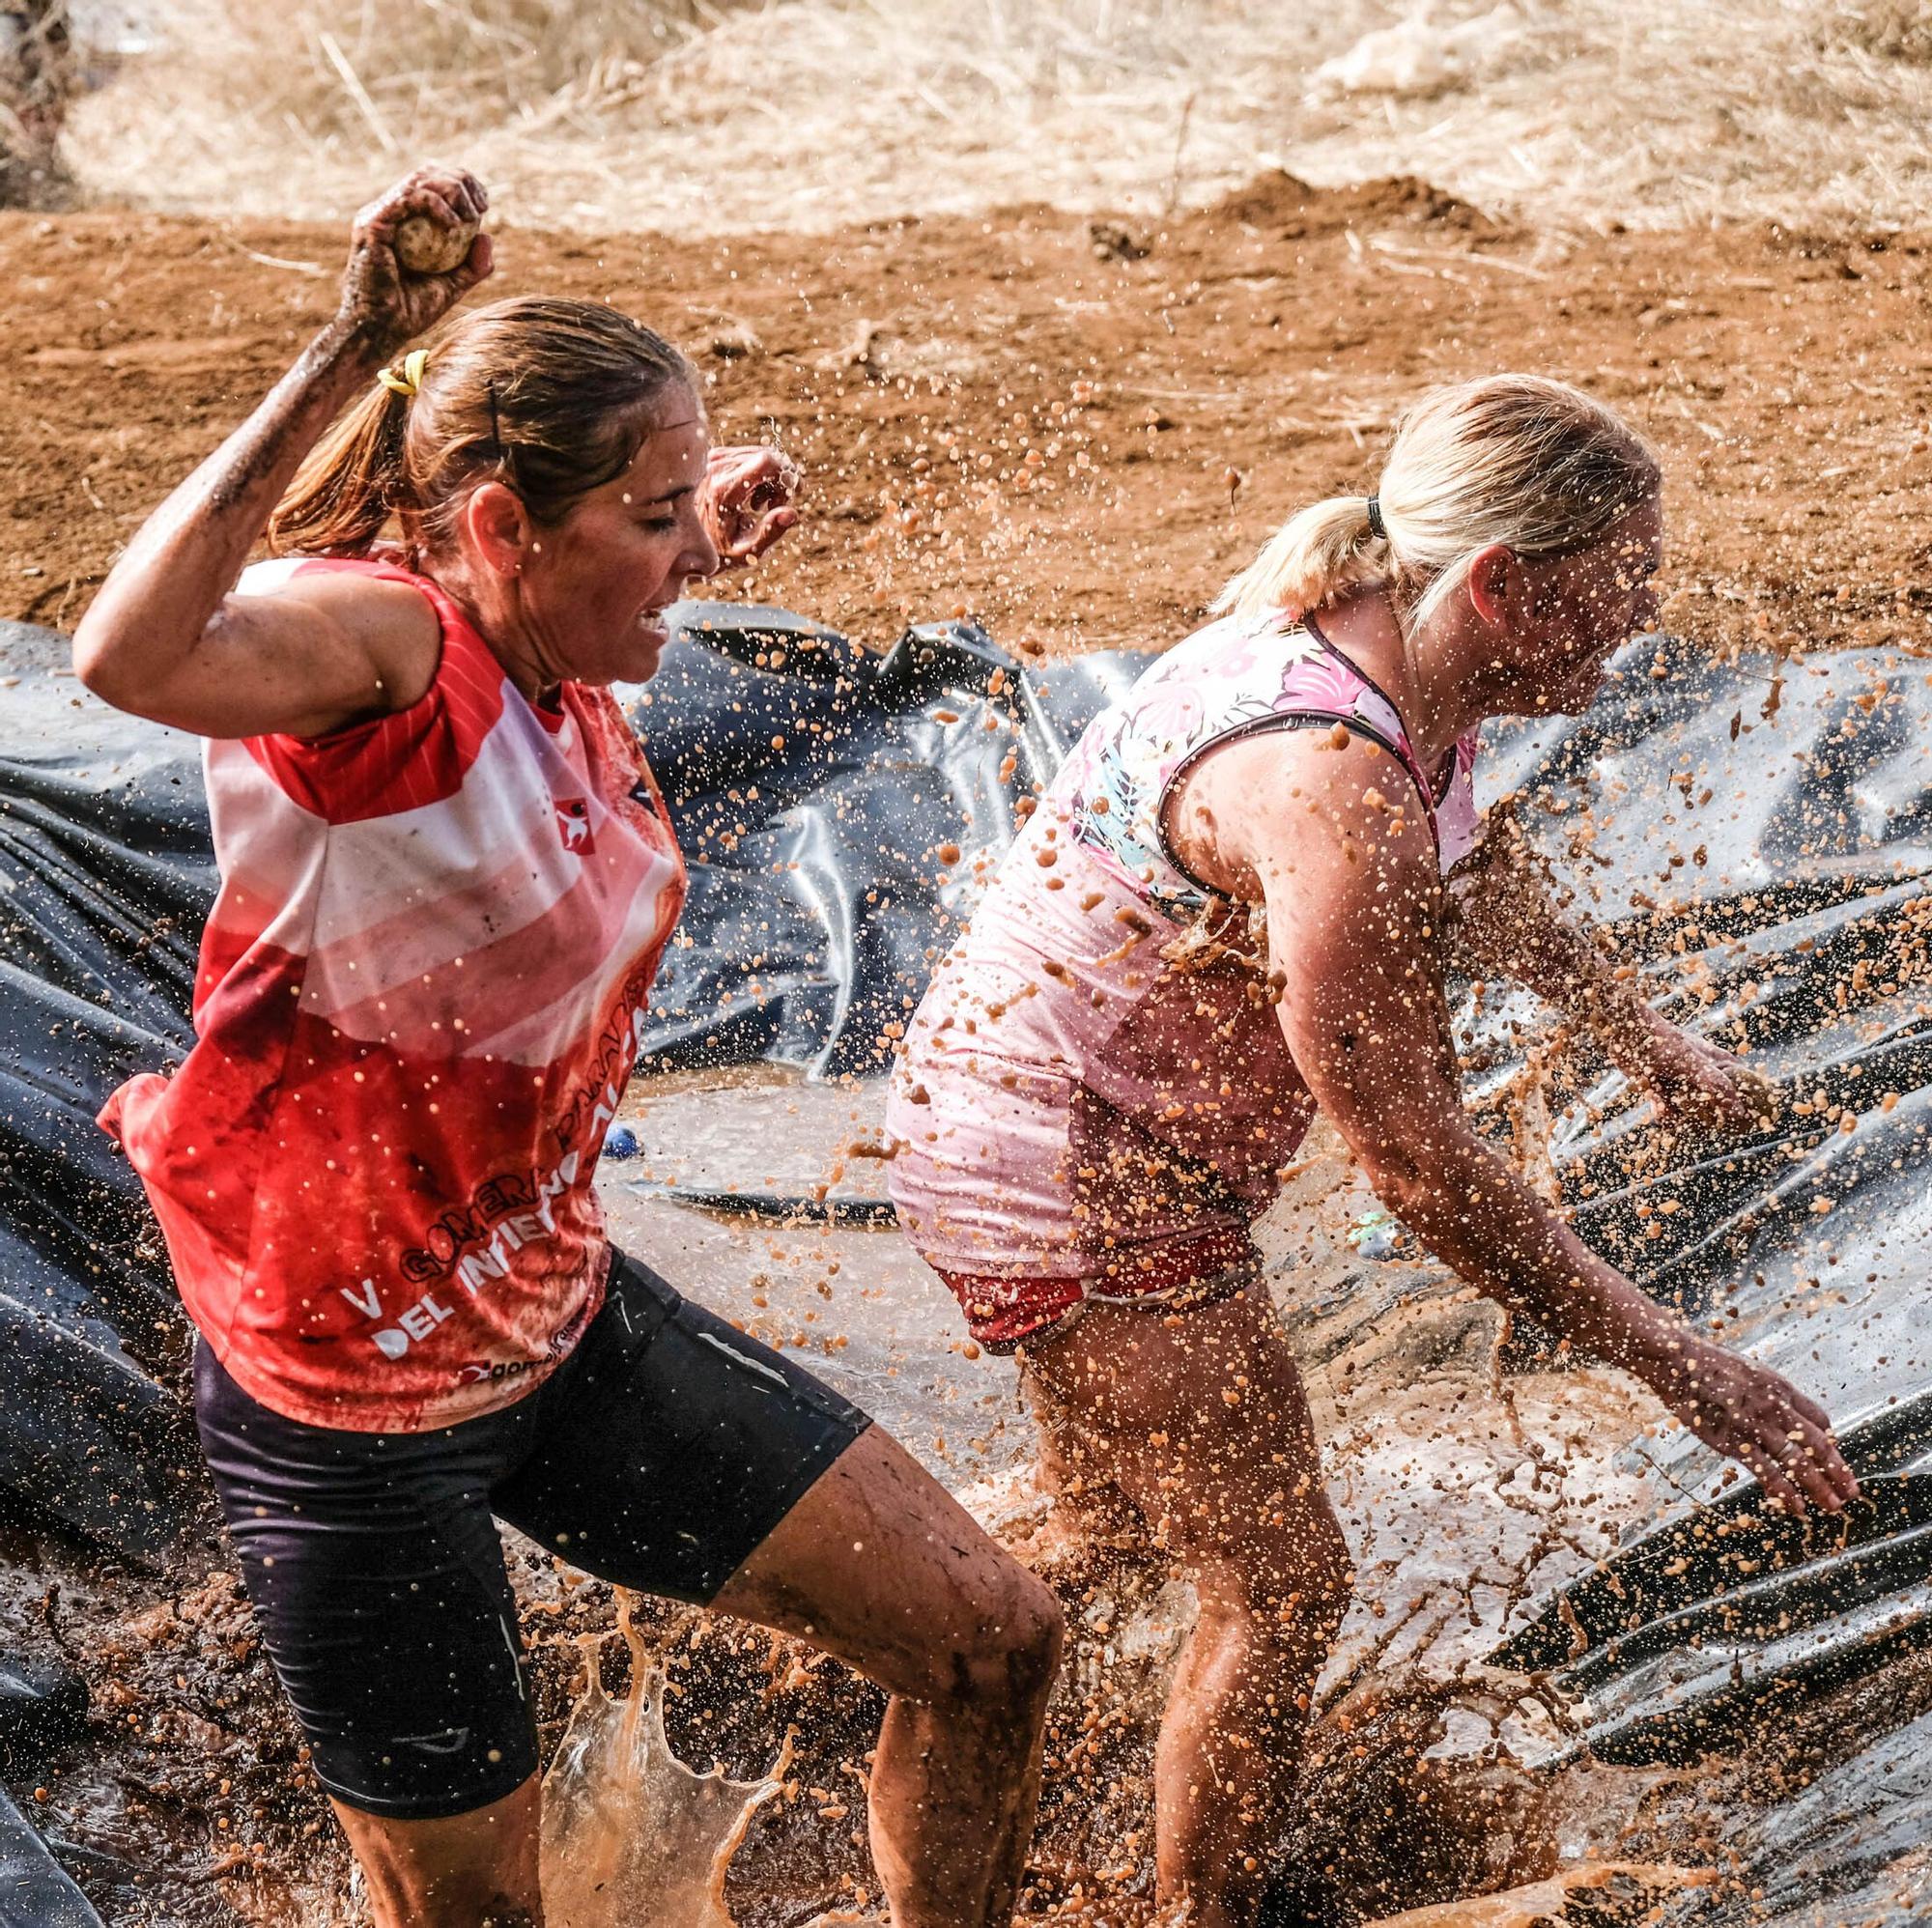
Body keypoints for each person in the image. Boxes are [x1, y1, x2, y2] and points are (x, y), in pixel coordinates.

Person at [75, 165, 1062, 1928]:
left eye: (699, 502)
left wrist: (680, 529)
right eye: (658, 510)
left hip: (554, 1319)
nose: (700, 549)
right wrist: (348, 347)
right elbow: (131, 652)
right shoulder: (390, 648)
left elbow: (584, 618)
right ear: (503, 526)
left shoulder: (554, 643)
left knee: (993, 1649)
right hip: (351, 1407)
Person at [884, 375, 1861, 1928]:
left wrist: (1639, 1039)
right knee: (1281, 1583)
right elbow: (1417, 1167)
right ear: (1505, 584)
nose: (1648, 619)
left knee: (1130, 1520)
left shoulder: (1394, 642)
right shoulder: (1328, 776)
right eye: (1629, 583)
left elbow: (1484, 855)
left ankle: (870, 1614)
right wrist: (1693, 1370)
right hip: (1073, 1174)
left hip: (1050, 1121)